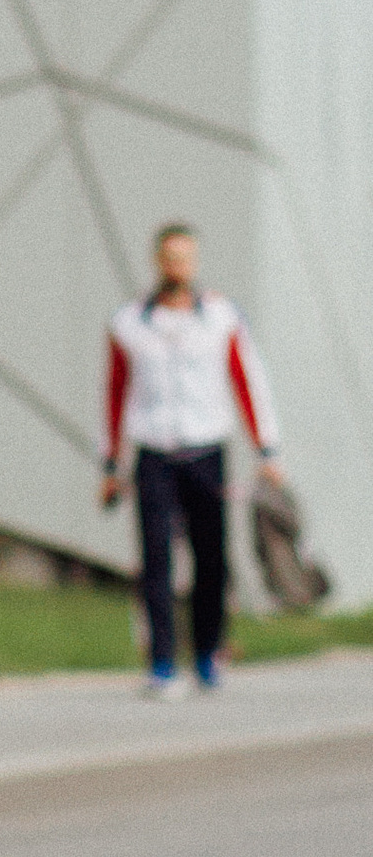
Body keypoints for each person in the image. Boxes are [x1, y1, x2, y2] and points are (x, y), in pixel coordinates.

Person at [100, 224, 284, 698]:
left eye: (186, 258)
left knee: (211, 558)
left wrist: (267, 449)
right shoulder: (130, 323)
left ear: (195, 262)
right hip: (153, 453)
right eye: (170, 258)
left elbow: (248, 381)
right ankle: (162, 661)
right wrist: (110, 464)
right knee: (156, 560)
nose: (177, 267)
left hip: (206, 450)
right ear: (157, 261)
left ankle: (208, 652)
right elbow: (115, 395)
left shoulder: (221, 317)